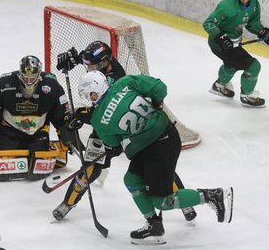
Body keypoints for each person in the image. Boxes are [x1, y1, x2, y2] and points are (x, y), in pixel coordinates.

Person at [77, 71, 233, 245]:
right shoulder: (124, 83)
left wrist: (112, 149)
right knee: (132, 179)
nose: (89, 99)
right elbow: (159, 88)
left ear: (95, 92)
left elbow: (113, 146)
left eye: (89, 95)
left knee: (163, 201)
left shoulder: (98, 120)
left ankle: (213, 195)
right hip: (164, 136)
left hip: (160, 146)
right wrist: (158, 105)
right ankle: (154, 225)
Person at [52, 41, 197, 223]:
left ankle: (183, 201)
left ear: (105, 63)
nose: (90, 69)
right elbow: (92, 62)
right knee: (91, 167)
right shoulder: (101, 64)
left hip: (119, 128)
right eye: (89, 66)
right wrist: (74, 58)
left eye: (93, 66)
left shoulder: (116, 78)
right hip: (107, 126)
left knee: (159, 166)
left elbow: (102, 115)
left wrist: (80, 116)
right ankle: (68, 203)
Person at [0, 55, 73, 175]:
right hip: (8, 133)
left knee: (37, 159)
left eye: (32, 78)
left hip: (37, 134)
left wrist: (66, 133)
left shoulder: (52, 85)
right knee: (4, 155)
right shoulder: (5, 83)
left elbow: (62, 115)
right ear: (20, 74)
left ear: (39, 75)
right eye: (26, 77)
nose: (29, 81)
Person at [203, 0, 269, 107]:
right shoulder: (227, 6)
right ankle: (247, 95)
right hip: (219, 44)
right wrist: (221, 37)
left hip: (233, 43)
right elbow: (208, 23)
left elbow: (252, 24)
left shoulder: (254, 4)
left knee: (233, 64)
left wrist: (264, 33)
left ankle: (219, 85)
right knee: (253, 66)